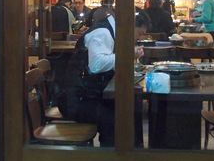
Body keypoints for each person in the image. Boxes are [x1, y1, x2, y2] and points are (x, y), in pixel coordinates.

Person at [57, 10, 151, 147]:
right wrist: (127, 54)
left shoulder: (110, 31)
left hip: (89, 95)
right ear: (129, 25)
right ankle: (110, 157)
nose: (139, 38)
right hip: (76, 101)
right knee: (114, 118)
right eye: (140, 33)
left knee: (131, 108)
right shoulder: (103, 33)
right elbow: (97, 65)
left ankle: (133, 152)